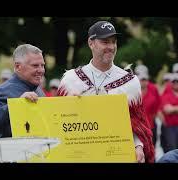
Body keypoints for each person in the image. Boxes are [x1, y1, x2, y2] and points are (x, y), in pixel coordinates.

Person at [57, 21, 154, 163]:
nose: (111, 47)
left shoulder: (130, 82)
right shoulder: (71, 80)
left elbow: (137, 126)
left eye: (113, 42)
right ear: (91, 43)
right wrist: (69, 106)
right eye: (105, 42)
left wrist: (138, 146)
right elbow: (57, 123)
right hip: (81, 156)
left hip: (116, 154)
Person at [0, 44, 46, 137]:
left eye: (42, 65)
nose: (41, 70)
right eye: (35, 65)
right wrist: (17, 104)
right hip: (15, 150)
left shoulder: (38, 90)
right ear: (18, 67)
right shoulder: (5, 89)